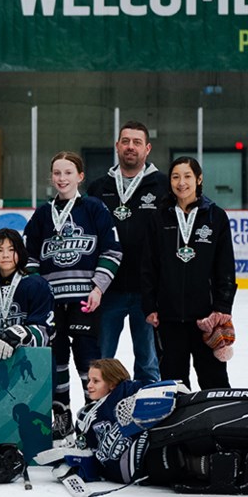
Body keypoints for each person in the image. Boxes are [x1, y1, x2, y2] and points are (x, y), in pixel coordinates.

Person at [23, 151, 122, 441]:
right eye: (57, 173)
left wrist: (98, 287)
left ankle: (93, 414)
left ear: (80, 176)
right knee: (56, 359)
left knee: (88, 359)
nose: (62, 178)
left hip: (83, 298)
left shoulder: (94, 208)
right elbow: (29, 257)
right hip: (52, 302)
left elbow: (112, 250)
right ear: (51, 177)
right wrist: (39, 293)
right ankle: (62, 415)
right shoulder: (43, 213)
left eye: (68, 173)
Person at [53, 358, 248, 493]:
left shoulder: (128, 390)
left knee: (175, 451)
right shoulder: (86, 415)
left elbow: (170, 391)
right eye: (89, 380)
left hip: (158, 440)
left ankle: (227, 460)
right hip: (144, 460)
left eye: (96, 381)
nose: (89, 385)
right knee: (167, 461)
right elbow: (87, 450)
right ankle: (217, 464)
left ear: (112, 384)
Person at [142, 156, 235, 390]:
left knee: (214, 380)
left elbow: (225, 266)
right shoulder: (159, 217)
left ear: (199, 179)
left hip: (206, 319)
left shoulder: (216, 217)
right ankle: (178, 428)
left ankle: (218, 426)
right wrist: (150, 306)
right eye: (175, 177)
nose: (181, 182)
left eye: (187, 176)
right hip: (168, 318)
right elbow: (149, 266)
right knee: (173, 384)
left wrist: (222, 307)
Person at [87, 121, 168, 384]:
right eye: (125, 141)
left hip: (147, 291)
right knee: (101, 359)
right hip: (108, 290)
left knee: (147, 359)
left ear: (147, 148)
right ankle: (99, 412)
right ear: (117, 146)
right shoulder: (98, 188)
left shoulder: (162, 186)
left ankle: (150, 415)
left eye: (136, 142)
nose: (130, 147)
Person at [0, 228, 54, 359]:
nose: (6, 255)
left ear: (20, 252)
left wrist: (22, 332)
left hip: (31, 364)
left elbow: (46, 333)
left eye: (12, 249)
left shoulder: (37, 285)